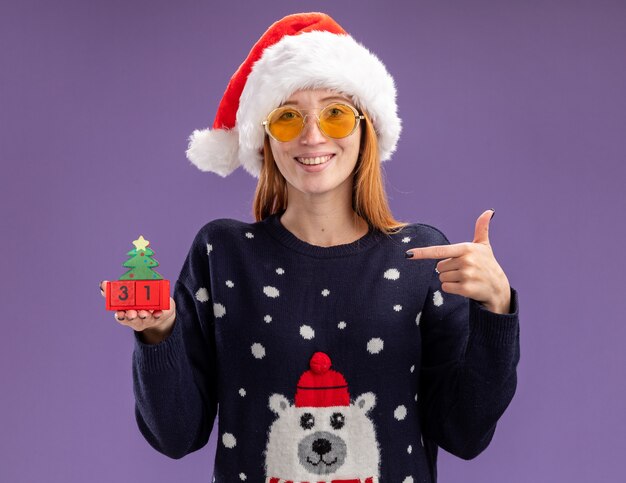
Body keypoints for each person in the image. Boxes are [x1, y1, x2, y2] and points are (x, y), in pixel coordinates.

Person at [100, 12, 519, 483]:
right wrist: (159, 335)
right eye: (287, 117)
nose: (312, 135)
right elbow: (175, 435)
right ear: (264, 138)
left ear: (366, 128)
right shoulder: (223, 253)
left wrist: (496, 309)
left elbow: (465, 433)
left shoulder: (420, 257)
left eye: (335, 113)